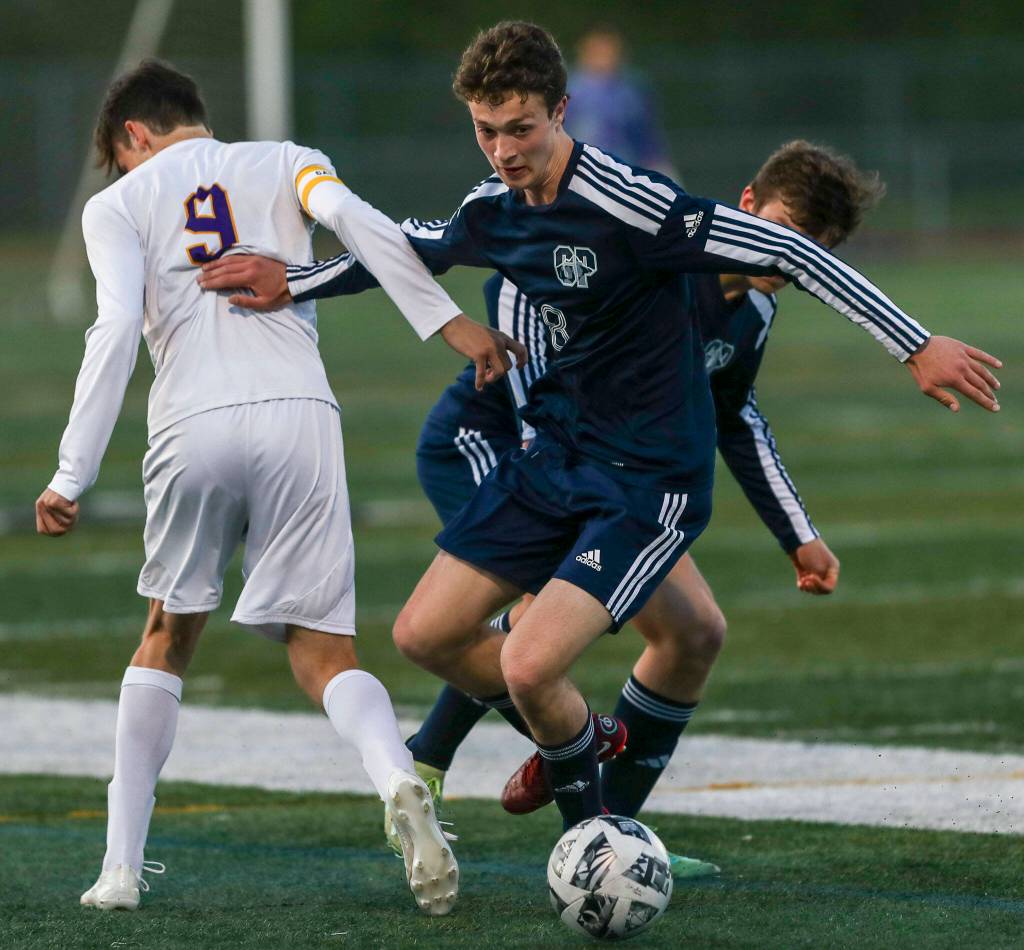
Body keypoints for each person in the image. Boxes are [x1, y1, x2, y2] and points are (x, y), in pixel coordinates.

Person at [198, 22, 1001, 837]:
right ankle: (581, 743)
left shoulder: (634, 202)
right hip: (552, 458)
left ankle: (595, 830)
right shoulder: (495, 207)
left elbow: (795, 255)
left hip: (646, 483)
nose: (504, 150)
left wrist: (915, 344)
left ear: (561, 112)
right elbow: (408, 253)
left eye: (522, 128)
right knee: (422, 634)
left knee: (533, 660)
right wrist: (295, 279)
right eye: (487, 130)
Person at [35, 59, 524, 916]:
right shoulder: (286, 157)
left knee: (166, 635)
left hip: (194, 423)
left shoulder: (116, 203)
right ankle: (395, 777)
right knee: (324, 652)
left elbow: (113, 329)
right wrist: (445, 322)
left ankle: (119, 870)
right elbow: (355, 220)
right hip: (302, 415)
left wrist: (72, 471)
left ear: (132, 138)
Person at [567, 26, 675, 175]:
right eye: (598, 52)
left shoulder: (632, 90)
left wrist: (660, 166)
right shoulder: (570, 90)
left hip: (626, 170)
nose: (603, 59)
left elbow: (647, 138)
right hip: (580, 171)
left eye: (608, 53)